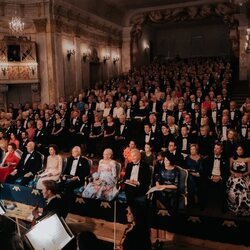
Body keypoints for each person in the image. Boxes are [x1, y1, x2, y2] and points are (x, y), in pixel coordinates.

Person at [226, 145, 250, 216]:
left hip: (244, 176)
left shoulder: (248, 159)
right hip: (234, 176)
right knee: (236, 182)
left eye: (240, 150)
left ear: (243, 151)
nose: (239, 151)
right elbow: (230, 169)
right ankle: (236, 206)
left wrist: (242, 175)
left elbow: (249, 171)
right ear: (235, 151)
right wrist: (235, 174)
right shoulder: (232, 158)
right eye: (237, 150)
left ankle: (243, 206)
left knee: (242, 184)